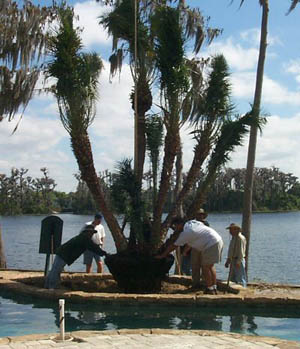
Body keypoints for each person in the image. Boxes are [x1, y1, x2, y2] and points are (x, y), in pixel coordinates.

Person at [156, 217, 223, 294]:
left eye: (175, 227)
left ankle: (210, 289)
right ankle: (214, 287)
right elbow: (192, 240)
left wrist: (163, 255)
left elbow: (174, 246)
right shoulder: (192, 223)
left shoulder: (186, 233)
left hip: (211, 244)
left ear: (179, 224)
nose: (174, 229)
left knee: (205, 267)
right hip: (217, 240)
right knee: (210, 266)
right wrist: (185, 251)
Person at [44, 225, 107, 289]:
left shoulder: (83, 237)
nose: (91, 234)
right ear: (86, 232)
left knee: (54, 270)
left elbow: (93, 247)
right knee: (56, 271)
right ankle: (51, 288)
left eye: (93, 233)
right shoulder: (84, 238)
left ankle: (47, 286)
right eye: (90, 232)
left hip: (62, 253)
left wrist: (103, 253)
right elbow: (94, 248)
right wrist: (105, 253)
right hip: (63, 254)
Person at [190, 208, 210, 288]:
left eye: (201, 214)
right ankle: (195, 283)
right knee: (195, 266)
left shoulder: (206, 224)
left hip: (204, 247)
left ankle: (205, 282)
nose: (200, 216)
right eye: (198, 214)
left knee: (204, 265)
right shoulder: (193, 224)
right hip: (195, 247)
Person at [225, 223, 247, 287]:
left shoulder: (240, 238)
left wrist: (238, 262)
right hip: (233, 259)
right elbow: (231, 250)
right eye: (230, 230)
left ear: (236, 230)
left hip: (238, 259)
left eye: (232, 230)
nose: (230, 231)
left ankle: (243, 289)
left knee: (240, 277)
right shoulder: (234, 238)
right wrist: (228, 260)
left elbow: (241, 251)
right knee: (233, 278)